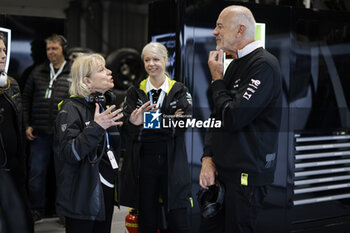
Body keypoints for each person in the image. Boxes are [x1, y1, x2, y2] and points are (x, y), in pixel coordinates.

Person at [199, 5, 282, 233]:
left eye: (220, 26)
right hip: (223, 174)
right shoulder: (235, 64)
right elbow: (217, 115)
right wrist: (208, 158)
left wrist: (217, 78)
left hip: (246, 178)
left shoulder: (263, 65)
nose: (215, 32)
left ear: (240, 30)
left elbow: (233, 117)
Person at [54, 53, 151, 233]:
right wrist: (97, 127)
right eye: (101, 70)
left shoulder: (103, 106)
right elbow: (70, 153)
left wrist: (132, 125)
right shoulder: (70, 109)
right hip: (81, 197)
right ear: (87, 81)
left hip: (105, 191)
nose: (109, 72)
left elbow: (116, 146)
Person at [120, 42, 192, 233]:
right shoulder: (135, 91)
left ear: (166, 60)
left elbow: (183, 125)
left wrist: (144, 123)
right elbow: (126, 130)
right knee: (147, 220)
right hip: (143, 161)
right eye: (147, 60)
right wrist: (167, 119)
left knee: (177, 220)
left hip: (172, 161)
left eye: (156, 59)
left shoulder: (179, 89)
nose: (151, 64)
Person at [22, 34, 72, 221]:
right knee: (36, 174)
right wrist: (27, 124)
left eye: (54, 48)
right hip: (39, 132)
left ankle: (64, 213)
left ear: (63, 49)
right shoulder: (38, 71)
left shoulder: (73, 72)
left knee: (64, 175)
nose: (51, 52)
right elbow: (25, 99)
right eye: (48, 49)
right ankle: (36, 210)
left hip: (64, 133)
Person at [0, 33, 34, 233]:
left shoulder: (12, 85)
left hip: (15, 167)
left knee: (22, 223)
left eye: (4, 50)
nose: (3, 55)